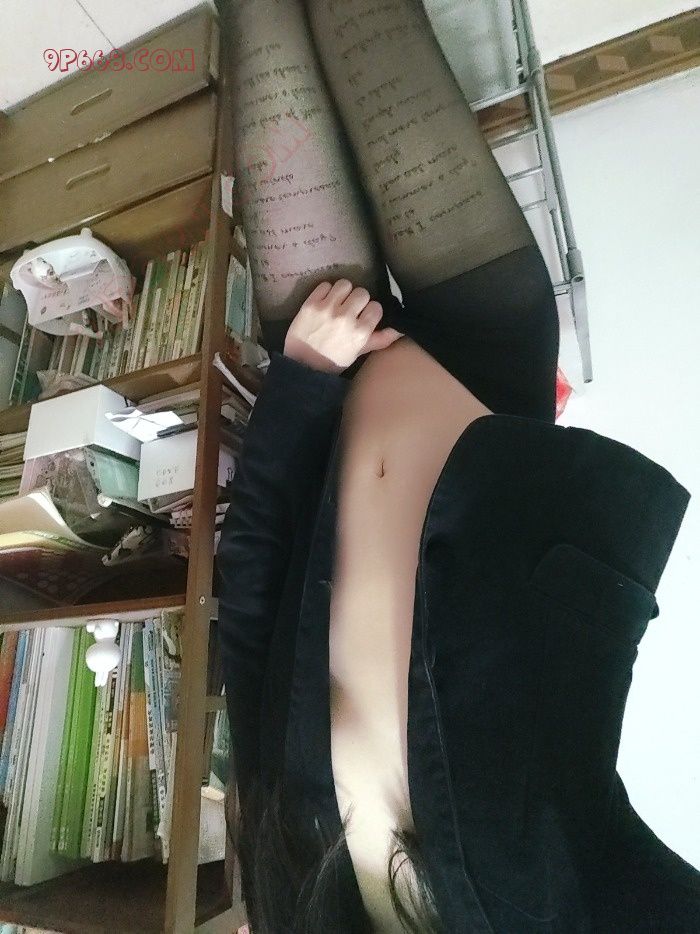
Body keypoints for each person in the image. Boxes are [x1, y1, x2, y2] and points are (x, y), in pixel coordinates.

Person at [216, 1, 699, 931]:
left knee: (258, 19)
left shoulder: (293, 899)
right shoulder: (561, 903)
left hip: (328, 361)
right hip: (488, 352)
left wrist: (303, 378)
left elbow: (252, 597)